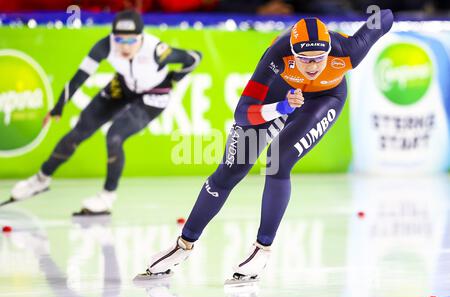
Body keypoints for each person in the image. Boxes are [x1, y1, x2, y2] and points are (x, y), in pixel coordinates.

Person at [137, 9, 394, 283]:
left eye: (319, 58)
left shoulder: (349, 51)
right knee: (229, 171)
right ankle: (183, 245)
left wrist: (377, 14)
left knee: (278, 161)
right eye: (304, 59)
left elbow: (385, 17)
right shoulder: (276, 56)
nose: (312, 66)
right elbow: (242, 112)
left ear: (329, 51)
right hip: (278, 97)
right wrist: (281, 108)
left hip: (324, 99)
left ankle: (262, 249)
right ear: (292, 53)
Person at [9, 9, 202, 215]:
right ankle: (41, 179)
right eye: (120, 39)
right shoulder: (105, 46)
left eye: (131, 41)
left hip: (154, 93)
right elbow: (79, 77)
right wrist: (58, 107)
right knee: (80, 130)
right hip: (123, 86)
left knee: (115, 136)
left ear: (141, 37)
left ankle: (107, 197)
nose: (124, 46)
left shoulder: (157, 50)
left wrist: (177, 76)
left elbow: (195, 57)